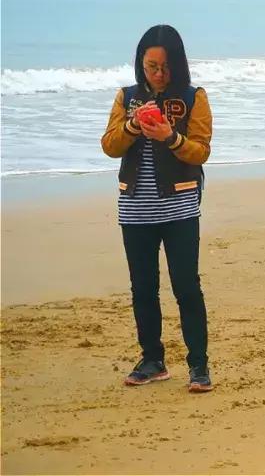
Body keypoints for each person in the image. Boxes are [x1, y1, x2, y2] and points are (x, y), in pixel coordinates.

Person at [100, 25, 214, 392]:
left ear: (177, 65)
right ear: (141, 63)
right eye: (151, 66)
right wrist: (134, 125)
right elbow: (110, 146)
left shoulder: (194, 97)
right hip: (135, 207)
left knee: (186, 286)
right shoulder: (127, 97)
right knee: (143, 288)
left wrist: (170, 137)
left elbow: (201, 151)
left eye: (164, 67)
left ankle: (198, 366)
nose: (158, 74)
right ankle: (152, 360)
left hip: (179, 206)